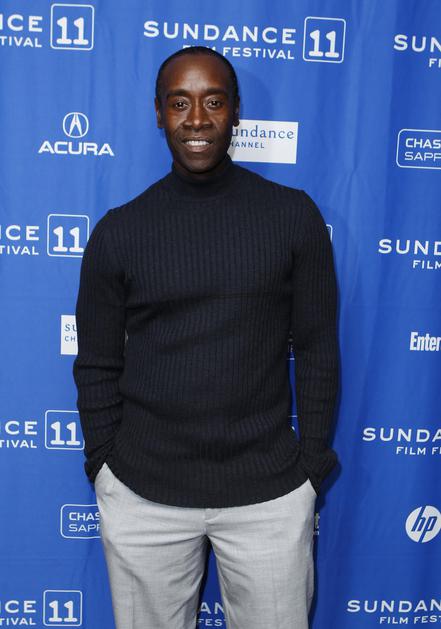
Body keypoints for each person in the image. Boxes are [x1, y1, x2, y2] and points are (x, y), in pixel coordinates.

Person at [73, 45, 340, 629]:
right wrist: (105, 465)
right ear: (159, 113)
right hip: (143, 495)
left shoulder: (292, 217)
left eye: (213, 102)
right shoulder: (120, 231)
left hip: (270, 495)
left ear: (236, 110)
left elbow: (318, 348)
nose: (196, 119)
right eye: (180, 103)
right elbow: (95, 363)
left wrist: (310, 466)